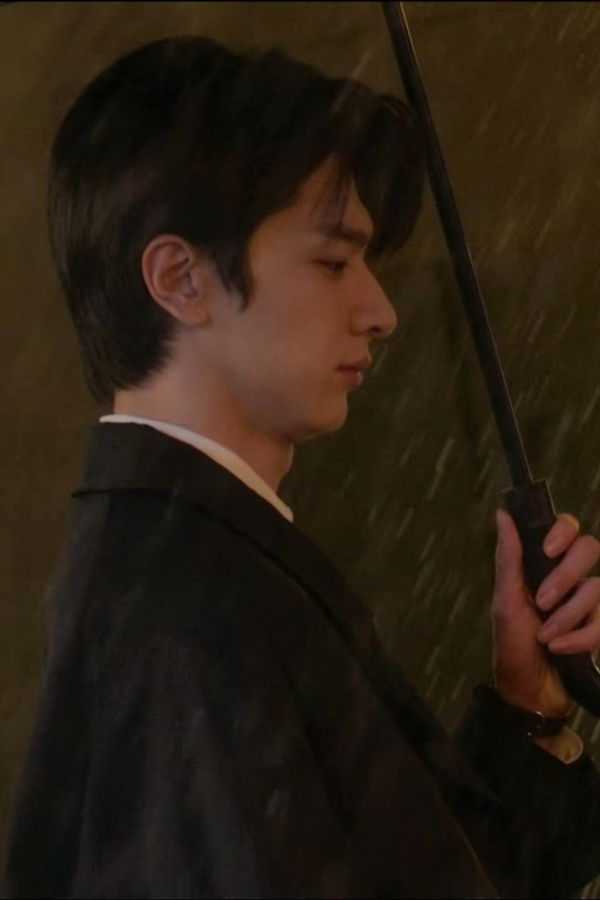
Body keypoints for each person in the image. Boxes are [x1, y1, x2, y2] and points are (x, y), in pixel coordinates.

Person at [3, 35, 600, 900]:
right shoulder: (184, 612)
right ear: (181, 279)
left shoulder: (207, 568)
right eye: (333, 261)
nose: (381, 310)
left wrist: (530, 702)